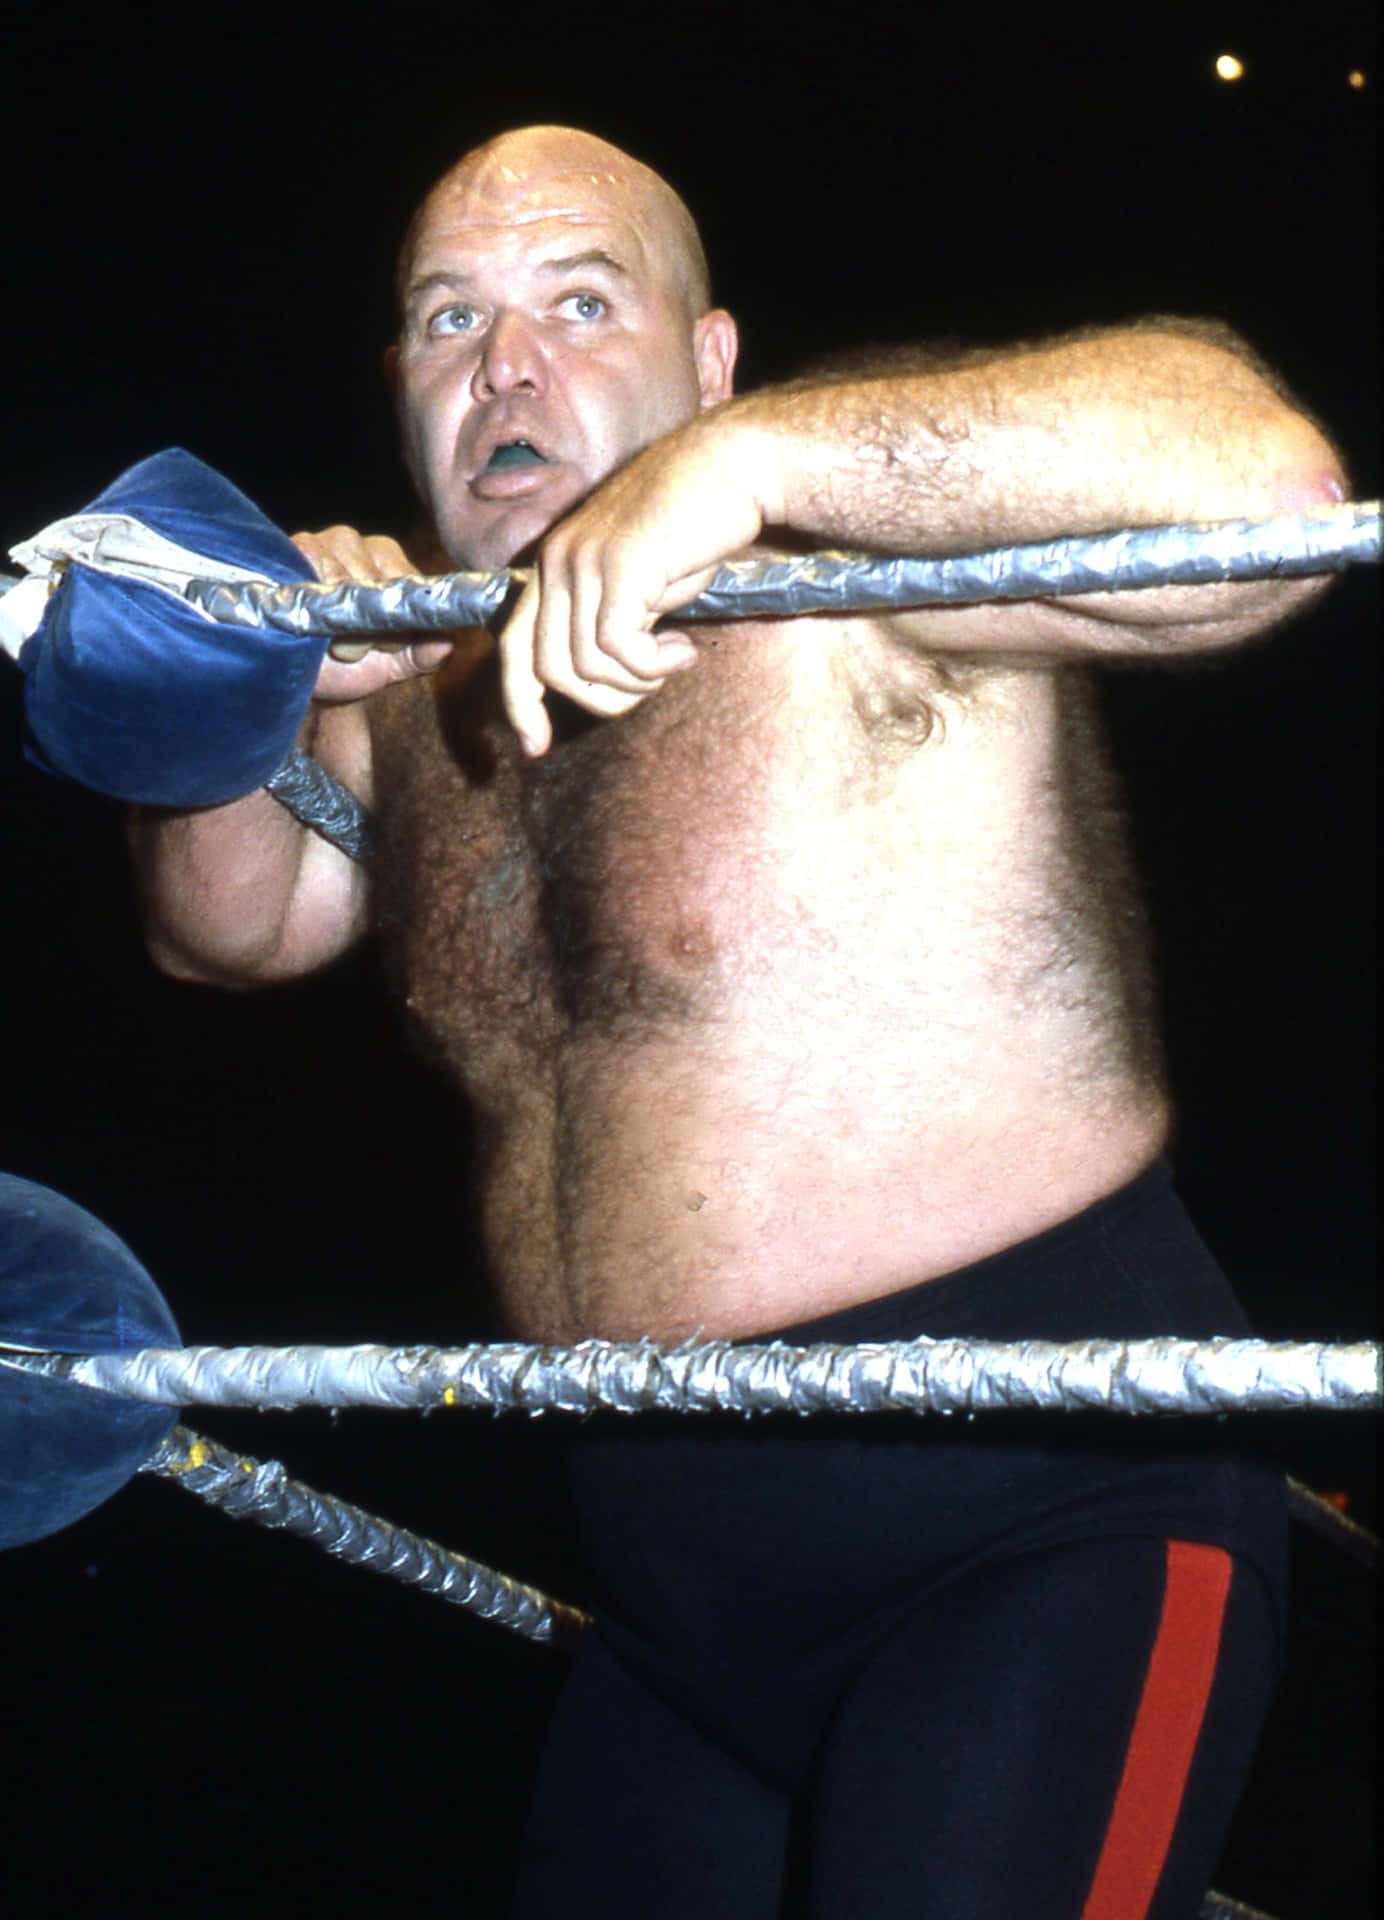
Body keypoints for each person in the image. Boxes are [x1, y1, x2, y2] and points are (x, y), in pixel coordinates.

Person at [130, 127, 1346, 1917]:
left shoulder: (830, 564)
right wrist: (243, 686)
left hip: (1038, 1521)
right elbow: (226, 937)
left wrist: (760, 458)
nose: (507, 368)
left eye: (582, 301)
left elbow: (1271, 496)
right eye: (447, 319)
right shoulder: (425, 687)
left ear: (707, 357)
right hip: (675, 1602)